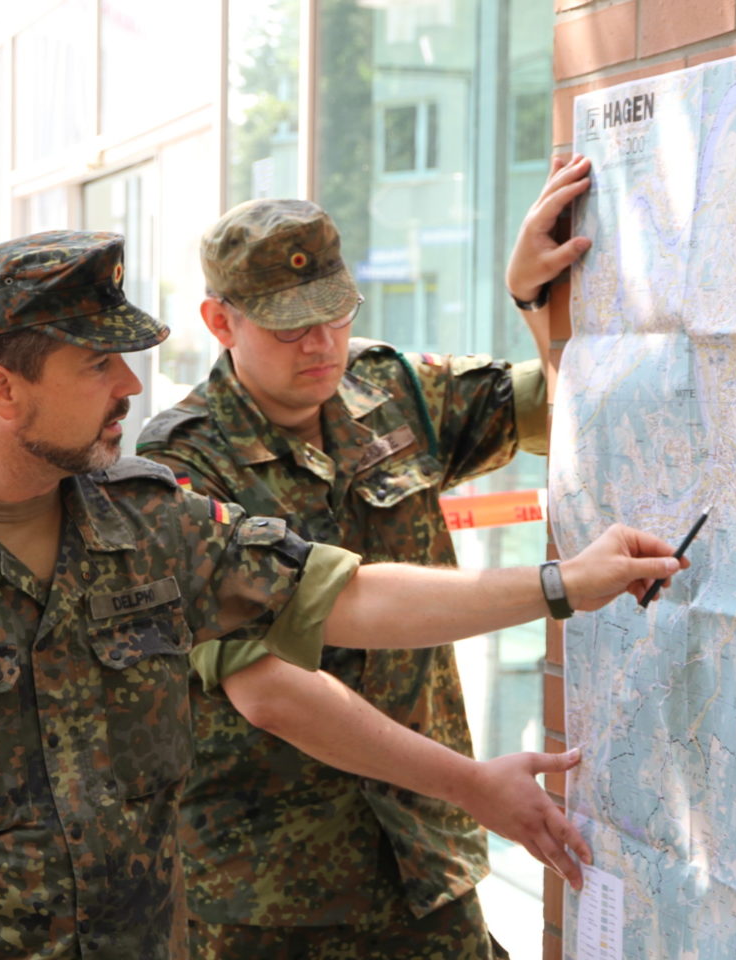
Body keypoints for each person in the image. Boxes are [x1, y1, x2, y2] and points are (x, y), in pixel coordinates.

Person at [0, 229, 683, 959]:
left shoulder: (151, 523)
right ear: (3, 391)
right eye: (99, 365)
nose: (130, 386)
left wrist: (563, 585)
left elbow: (349, 597)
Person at [133, 161, 592, 958]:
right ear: (219, 321)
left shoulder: (389, 389)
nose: (321, 344)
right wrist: (476, 786)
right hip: (270, 893)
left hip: (426, 863)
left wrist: (531, 299)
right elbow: (271, 691)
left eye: (336, 315)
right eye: (288, 326)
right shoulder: (181, 465)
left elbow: (566, 407)